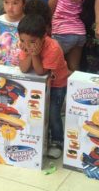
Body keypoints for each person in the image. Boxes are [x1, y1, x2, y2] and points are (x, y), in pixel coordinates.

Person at [18, 14, 69, 159]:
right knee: (40, 112)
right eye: (23, 40)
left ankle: (57, 141)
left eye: (32, 41)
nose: (27, 44)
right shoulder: (25, 43)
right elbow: (23, 68)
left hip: (57, 84)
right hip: (39, 86)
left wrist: (34, 54)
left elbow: (41, 72)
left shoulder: (53, 48)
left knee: (53, 113)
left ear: (43, 37)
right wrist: (29, 52)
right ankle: (44, 137)